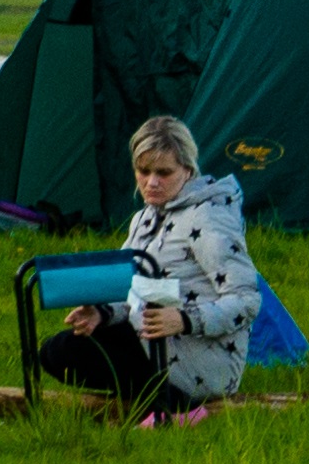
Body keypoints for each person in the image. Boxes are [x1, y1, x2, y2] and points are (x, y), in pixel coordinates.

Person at [35, 113, 266, 427]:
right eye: (143, 172)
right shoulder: (144, 218)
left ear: (187, 170)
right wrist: (103, 313)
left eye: (164, 172)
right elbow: (134, 289)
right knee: (56, 352)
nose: (151, 182)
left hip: (204, 354)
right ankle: (155, 403)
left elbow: (247, 301)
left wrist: (184, 320)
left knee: (73, 352)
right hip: (151, 338)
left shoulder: (209, 219)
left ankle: (177, 409)